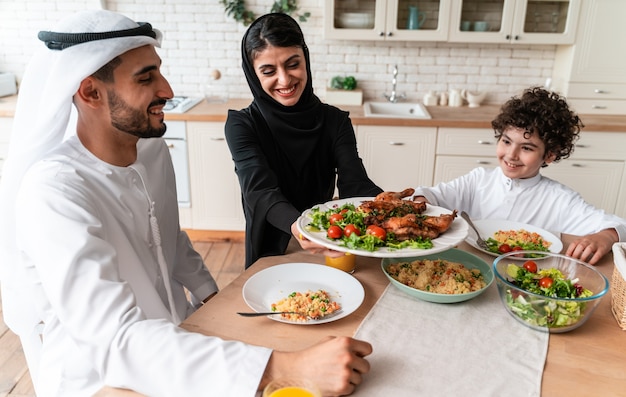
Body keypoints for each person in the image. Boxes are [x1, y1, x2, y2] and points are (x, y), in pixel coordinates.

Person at [0, 10, 371, 396]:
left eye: (159, 71)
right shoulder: (55, 191)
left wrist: (215, 298)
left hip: (181, 340)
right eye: (146, 77)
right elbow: (117, 342)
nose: (167, 89)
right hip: (104, 379)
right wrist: (287, 367)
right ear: (91, 92)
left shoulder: (152, 152)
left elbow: (170, 240)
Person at [225, 13, 383, 269]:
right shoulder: (242, 125)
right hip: (272, 247)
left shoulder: (336, 121)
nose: (285, 80)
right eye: (268, 71)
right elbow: (261, 192)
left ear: (305, 60)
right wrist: (302, 229)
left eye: (292, 64)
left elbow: (355, 183)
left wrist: (394, 206)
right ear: (254, 75)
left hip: (326, 240)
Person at [412, 86, 626, 265]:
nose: (511, 155)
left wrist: (606, 236)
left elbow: (619, 226)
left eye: (527, 148)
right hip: (466, 265)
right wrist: (421, 201)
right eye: (506, 141)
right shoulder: (479, 180)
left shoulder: (561, 199)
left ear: (549, 155)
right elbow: (431, 195)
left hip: (528, 278)